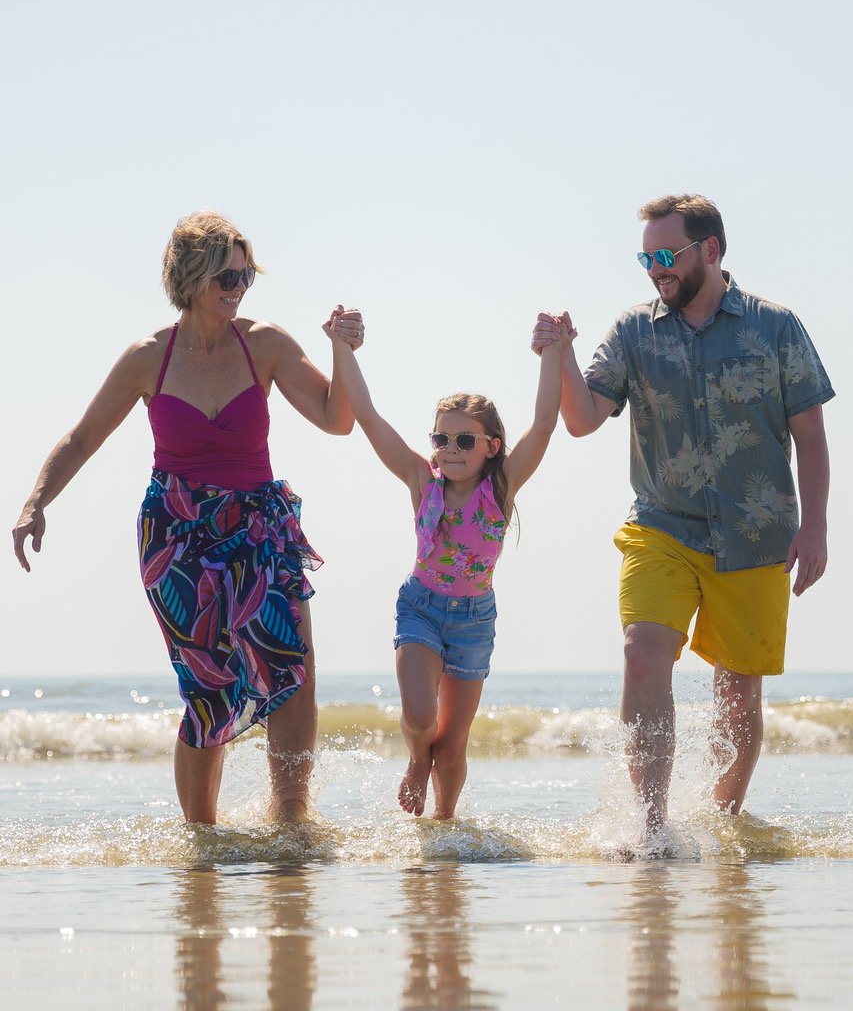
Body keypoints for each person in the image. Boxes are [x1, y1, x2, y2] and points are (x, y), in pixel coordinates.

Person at [12, 210, 363, 826]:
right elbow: (84, 436)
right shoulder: (148, 357)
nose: (238, 286)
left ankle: (291, 825)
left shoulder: (266, 344)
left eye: (245, 274)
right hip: (176, 535)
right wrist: (34, 502)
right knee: (210, 688)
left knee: (293, 669)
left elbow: (338, 418)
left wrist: (343, 350)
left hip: (258, 527)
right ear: (190, 274)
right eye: (226, 274)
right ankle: (202, 838)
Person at [535, 193, 833, 846]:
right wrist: (557, 357)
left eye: (665, 256)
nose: (654, 270)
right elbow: (583, 420)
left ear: (710, 250)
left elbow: (809, 435)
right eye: (644, 258)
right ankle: (649, 831)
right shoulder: (632, 331)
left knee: (736, 692)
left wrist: (814, 529)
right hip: (660, 525)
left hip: (757, 536)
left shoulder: (775, 326)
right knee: (642, 652)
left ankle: (721, 830)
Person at [328, 313, 569, 820]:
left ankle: (443, 829)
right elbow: (369, 417)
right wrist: (342, 348)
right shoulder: (422, 480)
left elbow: (545, 424)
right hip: (421, 607)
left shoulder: (500, 489)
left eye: (464, 440)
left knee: (453, 745)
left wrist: (554, 351)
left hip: (474, 619)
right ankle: (416, 759)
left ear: (491, 447)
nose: (451, 450)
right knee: (420, 717)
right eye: (442, 439)